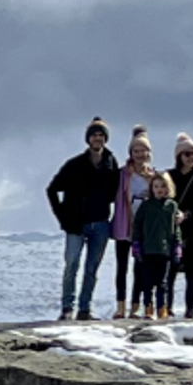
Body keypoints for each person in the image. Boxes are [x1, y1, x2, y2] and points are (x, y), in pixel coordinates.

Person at [46, 118, 118, 319]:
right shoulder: (74, 164)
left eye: (101, 135)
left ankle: (84, 309)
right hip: (76, 225)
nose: (98, 138)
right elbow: (52, 189)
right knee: (72, 264)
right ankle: (67, 308)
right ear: (88, 139)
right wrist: (63, 218)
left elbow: (116, 191)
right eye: (94, 135)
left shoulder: (111, 163)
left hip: (101, 223)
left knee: (92, 268)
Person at [109, 127, 155, 316]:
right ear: (130, 153)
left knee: (140, 268)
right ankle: (120, 306)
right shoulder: (122, 174)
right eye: (136, 151)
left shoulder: (153, 177)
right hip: (123, 225)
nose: (140, 155)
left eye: (143, 151)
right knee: (121, 267)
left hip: (143, 228)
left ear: (148, 153)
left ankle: (135, 307)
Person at [130, 168, 179, 325]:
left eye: (163, 187)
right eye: (157, 187)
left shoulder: (172, 206)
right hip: (147, 249)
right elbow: (137, 225)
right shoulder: (146, 206)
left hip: (164, 250)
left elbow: (176, 228)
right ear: (152, 188)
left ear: (169, 188)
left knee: (162, 282)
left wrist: (177, 246)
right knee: (147, 282)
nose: (160, 190)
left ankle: (162, 308)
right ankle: (148, 308)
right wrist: (136, 244)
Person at [166, 134, 193, 320]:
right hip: (172, 227)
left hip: (192, 227)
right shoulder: (169, 176)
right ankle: (167, 308)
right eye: (187, 154)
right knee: (170, 271)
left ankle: (190, 310)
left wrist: (185, 214)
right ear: (179, 156)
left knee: (191, 271)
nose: (191, 157)